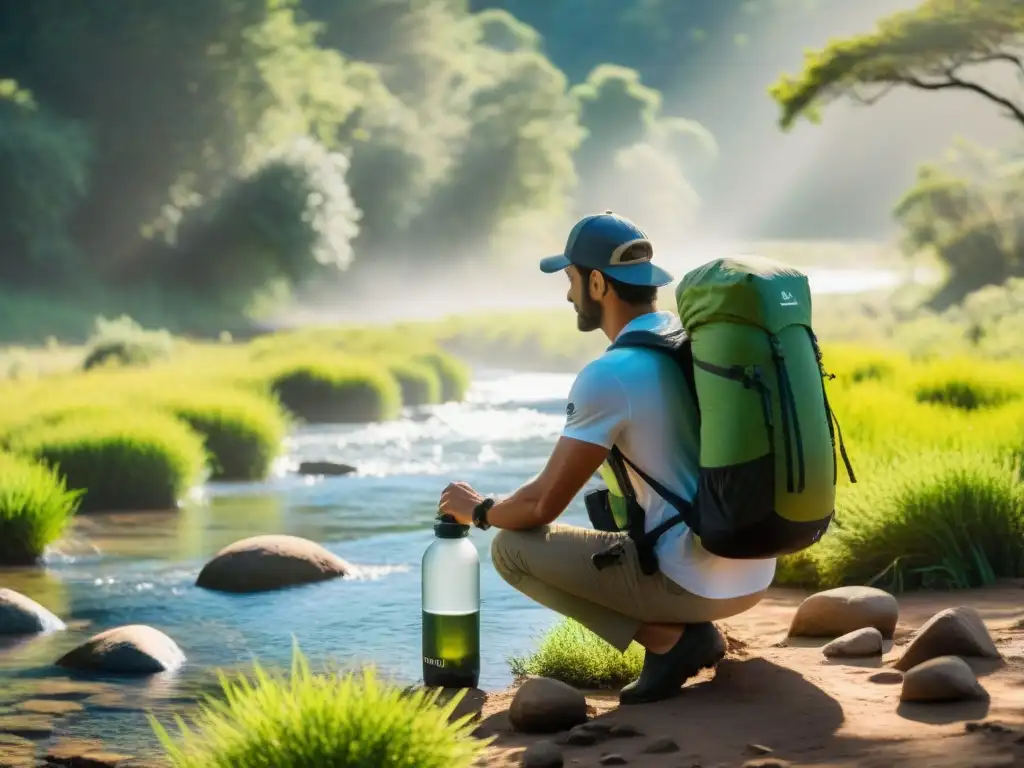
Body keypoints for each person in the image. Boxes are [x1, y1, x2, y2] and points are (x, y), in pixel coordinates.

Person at [438, 211, 776, 705]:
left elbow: (541, 506)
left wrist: (481, 511)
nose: (569, 293)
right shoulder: (689, 343)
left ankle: (673, 641)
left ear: (597, 282)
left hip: (696, 583)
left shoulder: (610, 374)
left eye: (572, 279)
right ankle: (685, 633)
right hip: (754, 567)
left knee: (511, 549)